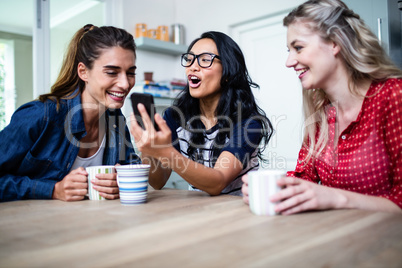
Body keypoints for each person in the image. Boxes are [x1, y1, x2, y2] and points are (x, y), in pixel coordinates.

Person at [242, 0, 402, 214]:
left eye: (298, 48)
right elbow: (304, 178)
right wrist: (268, 187)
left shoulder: (393, 96)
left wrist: (336, 198)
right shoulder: (322, 113)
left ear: (335, 42)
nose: (289, 62)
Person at [0, 24, 140, 202]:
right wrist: (52, 190)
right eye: (112, 72)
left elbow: (131, 169)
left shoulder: (115, 119)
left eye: (130, 73)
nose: (125, 84)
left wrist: (120, 183)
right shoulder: (41, 115)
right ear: (83, 72)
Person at [130, 31, 273, 196]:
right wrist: (150, 148)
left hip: (237, 212)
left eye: (205, 60)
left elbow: (217, 182)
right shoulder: (175, 117)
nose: (193, 66)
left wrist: (166, 152)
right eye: (189, 60)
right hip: (197, 210)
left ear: (228, 72)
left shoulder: (249, 122)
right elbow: (158, 181)